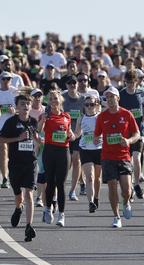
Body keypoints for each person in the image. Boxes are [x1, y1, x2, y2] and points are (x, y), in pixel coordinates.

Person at [0, 94, 41, 242]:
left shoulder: (34, 122)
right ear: (17, 107)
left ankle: (29, 226)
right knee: (18, 195)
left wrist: (38, 140)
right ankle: (18, 208)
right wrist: (17, 139)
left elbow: (39, 142)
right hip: (15, 163)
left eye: (28, 104)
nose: (26, 106)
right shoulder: (11, 122)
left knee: (29, 194)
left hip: (30, 163)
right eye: (22, 104)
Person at [93, 87, 140, 228]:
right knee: (112, 187)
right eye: (107, 98)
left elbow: (137, 134)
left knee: (126, 190)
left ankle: (126, 202)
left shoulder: (126, 114)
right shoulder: (102, 116)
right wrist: (96, 139)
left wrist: (128, 141)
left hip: (124, 156)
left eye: (112, 97)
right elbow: (96, 135)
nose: (110, 100)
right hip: (107, 157)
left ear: (118, 98)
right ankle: (116, 216)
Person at [39, 90, 74, 227]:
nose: (54, 101)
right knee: (50, 182)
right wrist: (42, 120)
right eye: (51, 99)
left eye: (56, 98)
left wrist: (71, 135)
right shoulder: (46, 116)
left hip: (63, 151)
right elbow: (39, 129)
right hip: (49, 151)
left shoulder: (66, 116)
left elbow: (69, 132)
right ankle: (48, 209)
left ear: (61, 100)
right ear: (49, 102)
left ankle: (61, 214)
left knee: (61, 183)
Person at [119, 70, 144, 200]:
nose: (130, 84)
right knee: (127, 161)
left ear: (137, 81)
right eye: (128, 82)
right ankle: (129, 187)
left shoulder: (141, 92)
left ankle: (136, 185)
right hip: (125, 134)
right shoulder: (121, 95)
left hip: (138, 131)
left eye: (132, 82)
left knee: (136, 158)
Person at [74, 94, 103, 213]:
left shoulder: (100, 117)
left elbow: (105, 131)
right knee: (89, 177)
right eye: (87, 105)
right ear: (84, 106)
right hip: (85, 149)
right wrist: (70, 136)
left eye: (92, 104)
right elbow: (77, 133)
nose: (89, 107)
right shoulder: (81, 118)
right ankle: (90, 202)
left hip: (99, 149)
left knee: (97, 178)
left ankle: (96, 198)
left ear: (96, 105)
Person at [0, 71, 18, 188]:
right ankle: (4, 177)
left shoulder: (15, 91)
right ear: (0, 80)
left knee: (14, 153)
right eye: (4, 79)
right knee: (3, 150)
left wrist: (15, 111)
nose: (6, 81)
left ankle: (15, 175)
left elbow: (23, 108)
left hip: (13, 125)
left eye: (8, 79)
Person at [62, 75, 86, 200]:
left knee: (76, 159)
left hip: (77, 133)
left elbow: (83, 118)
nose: (72, 85)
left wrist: (76, 134)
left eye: (74, 83)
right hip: (63, 134)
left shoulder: (83, 99)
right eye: (69, 83)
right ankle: (60, 187)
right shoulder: (62, 98)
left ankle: (72, 190)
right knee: (66, 162)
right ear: (66, 85)